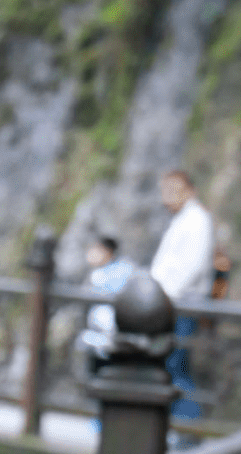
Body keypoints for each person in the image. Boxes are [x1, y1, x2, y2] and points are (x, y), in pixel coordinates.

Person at [150, 170, 215, 421]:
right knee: (171, 363)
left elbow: (194, 265)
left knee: (176, 364)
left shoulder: (197, 219)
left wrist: (165, 295)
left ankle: (187, 428)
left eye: (171, 190)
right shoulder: (184, 219)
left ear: (188, 189)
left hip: (182, 303)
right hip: (171, 301)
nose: (166, 198)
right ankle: (176, 424)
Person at [77, 234, 135, 375]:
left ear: (107, 251)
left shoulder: (117, 272)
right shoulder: (115, 270)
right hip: (103, 337)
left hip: (113, 336)